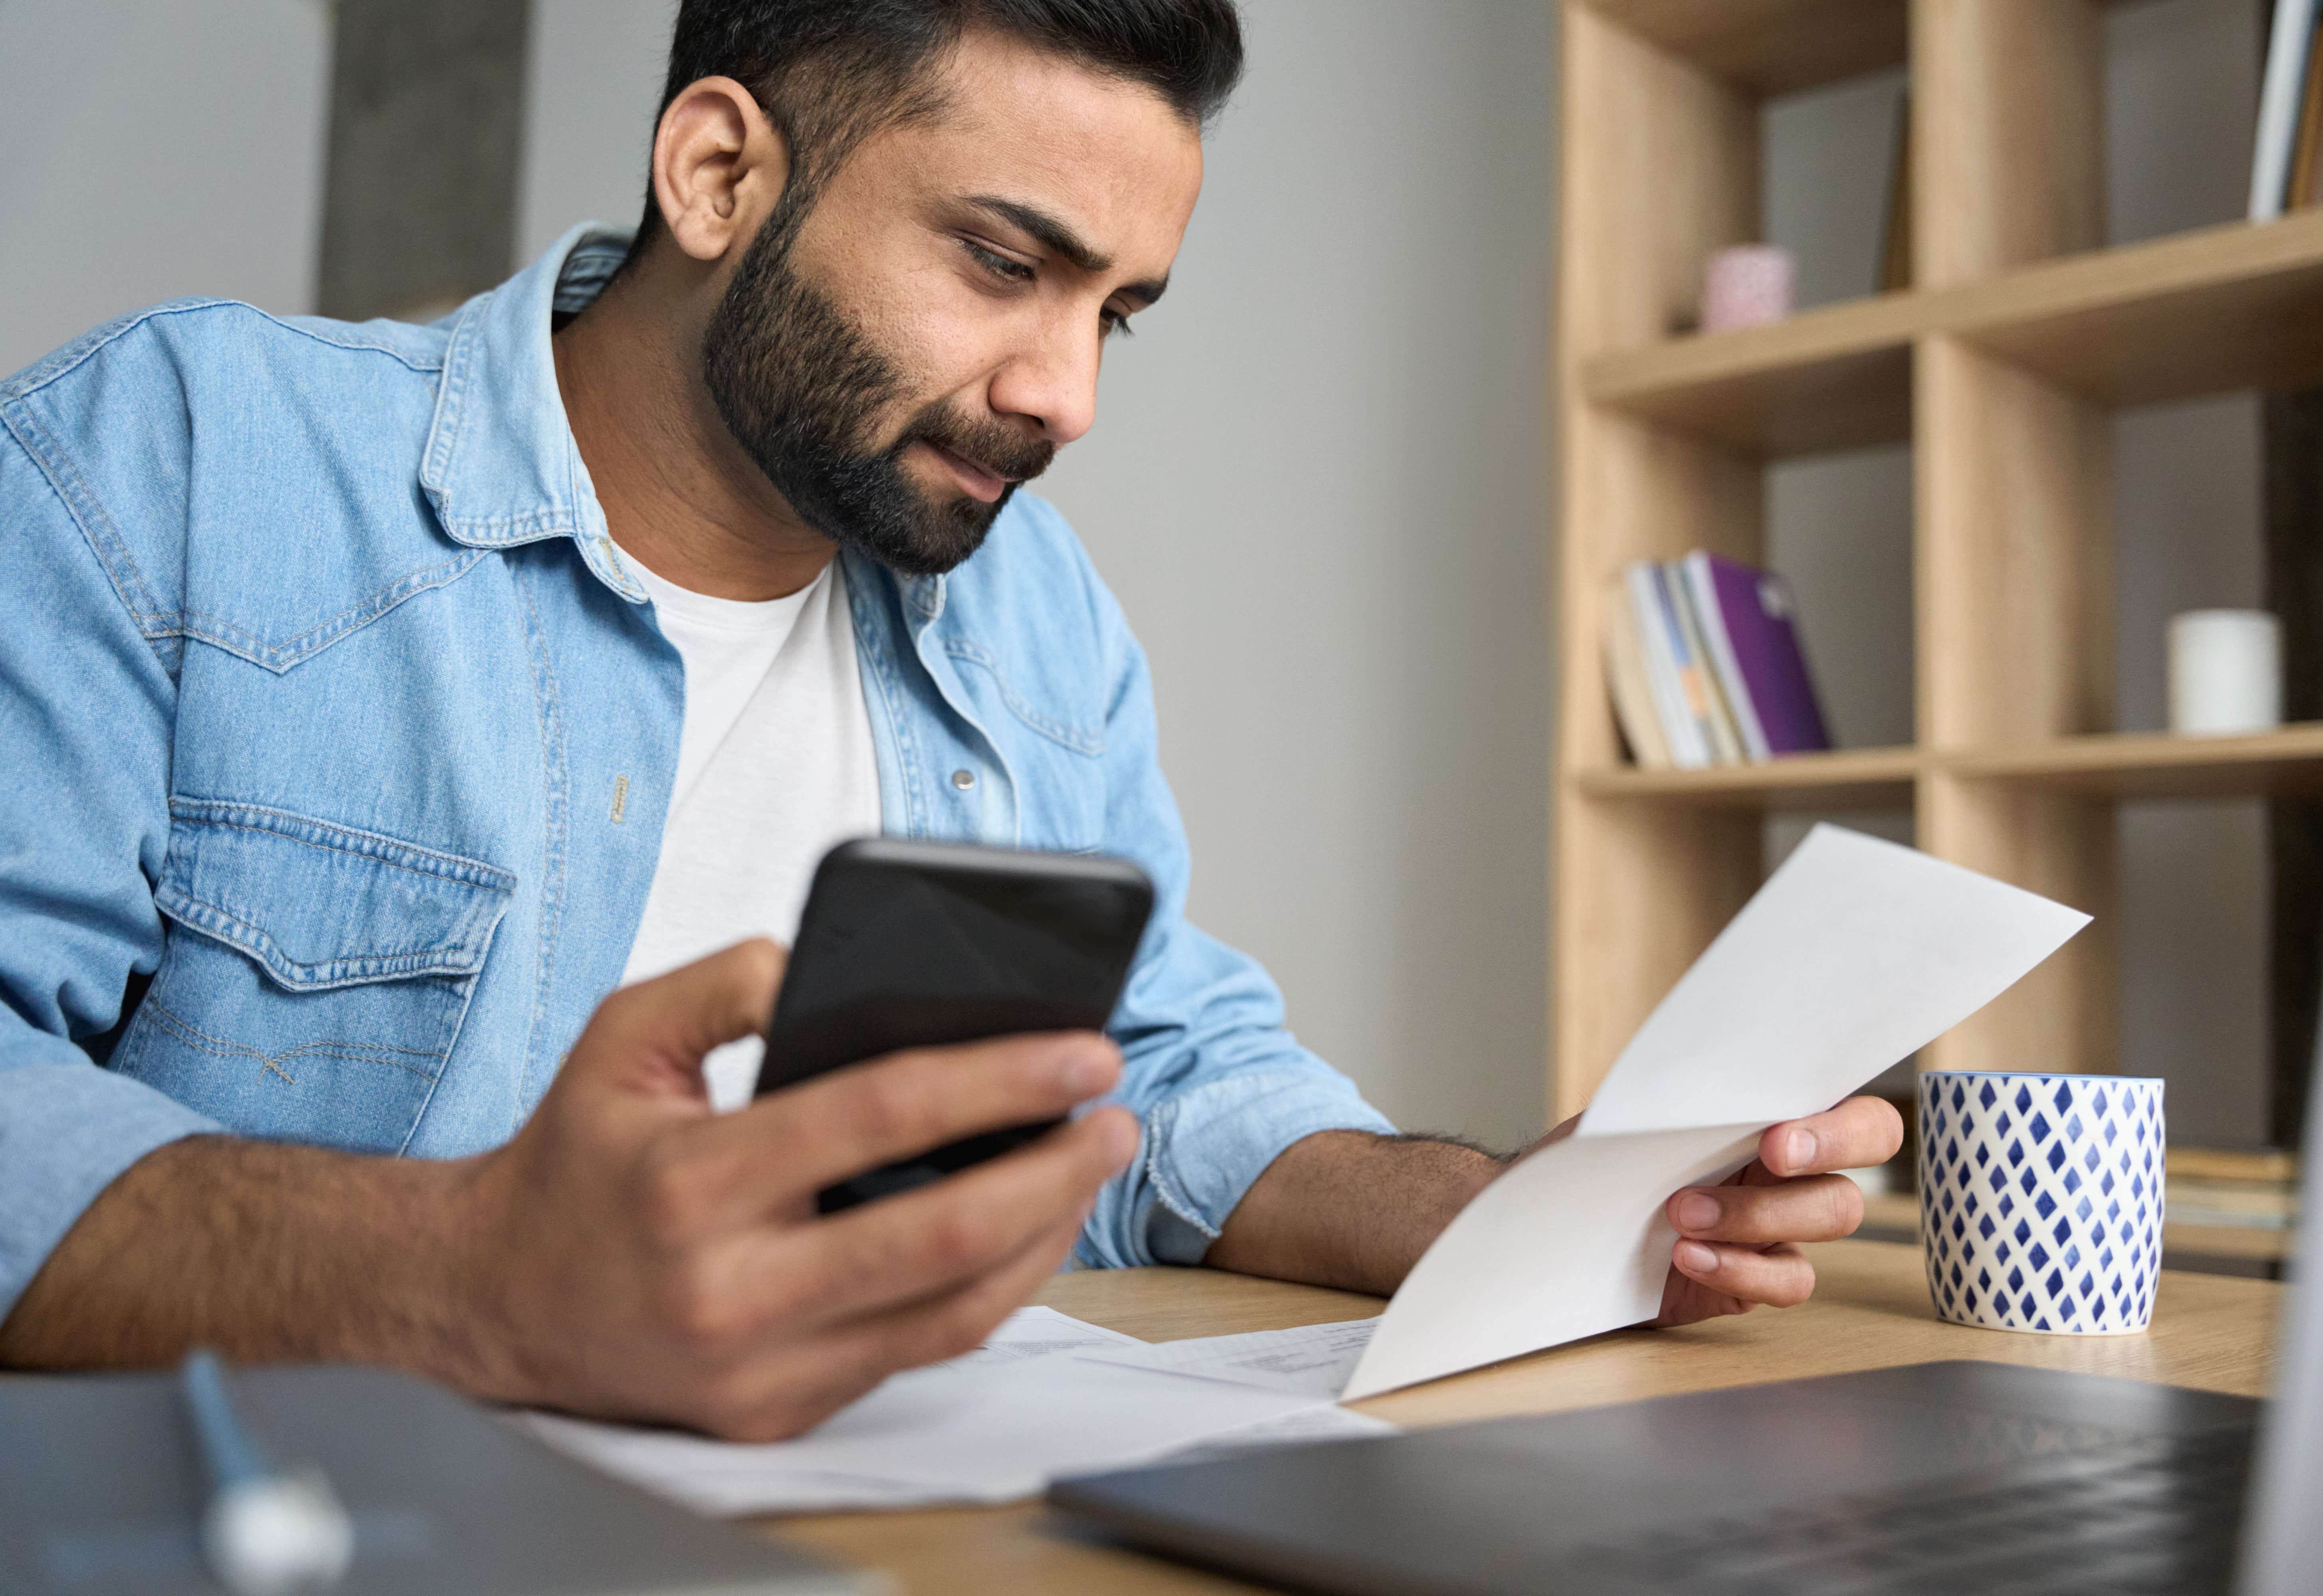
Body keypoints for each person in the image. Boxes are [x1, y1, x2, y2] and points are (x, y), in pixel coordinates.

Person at [0, 0, 1900, 1440]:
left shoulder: (1030, 610)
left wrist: (1504, 1214)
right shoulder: (177, 460)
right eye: (1006, 263)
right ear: (718, 174)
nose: (1065, 394)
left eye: (1118, 313)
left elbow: (1150, 1067)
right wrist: (477, 1280)